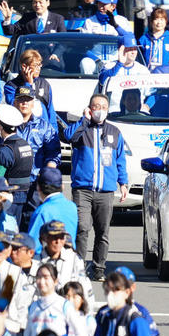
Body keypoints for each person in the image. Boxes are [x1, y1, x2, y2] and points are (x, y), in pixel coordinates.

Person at [66, 94, 128, 281]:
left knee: (102, 232)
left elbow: (120, 160)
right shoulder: (82, 129)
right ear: (89, 109)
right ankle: (78, 268)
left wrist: (123, 183)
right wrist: (83, 120)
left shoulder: (115, 132)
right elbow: (68, 136)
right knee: (82, 228)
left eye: (103, 107)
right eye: (96, 107)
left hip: (105, 191)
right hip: (83, 190)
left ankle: (99, 268)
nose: (100, 110)